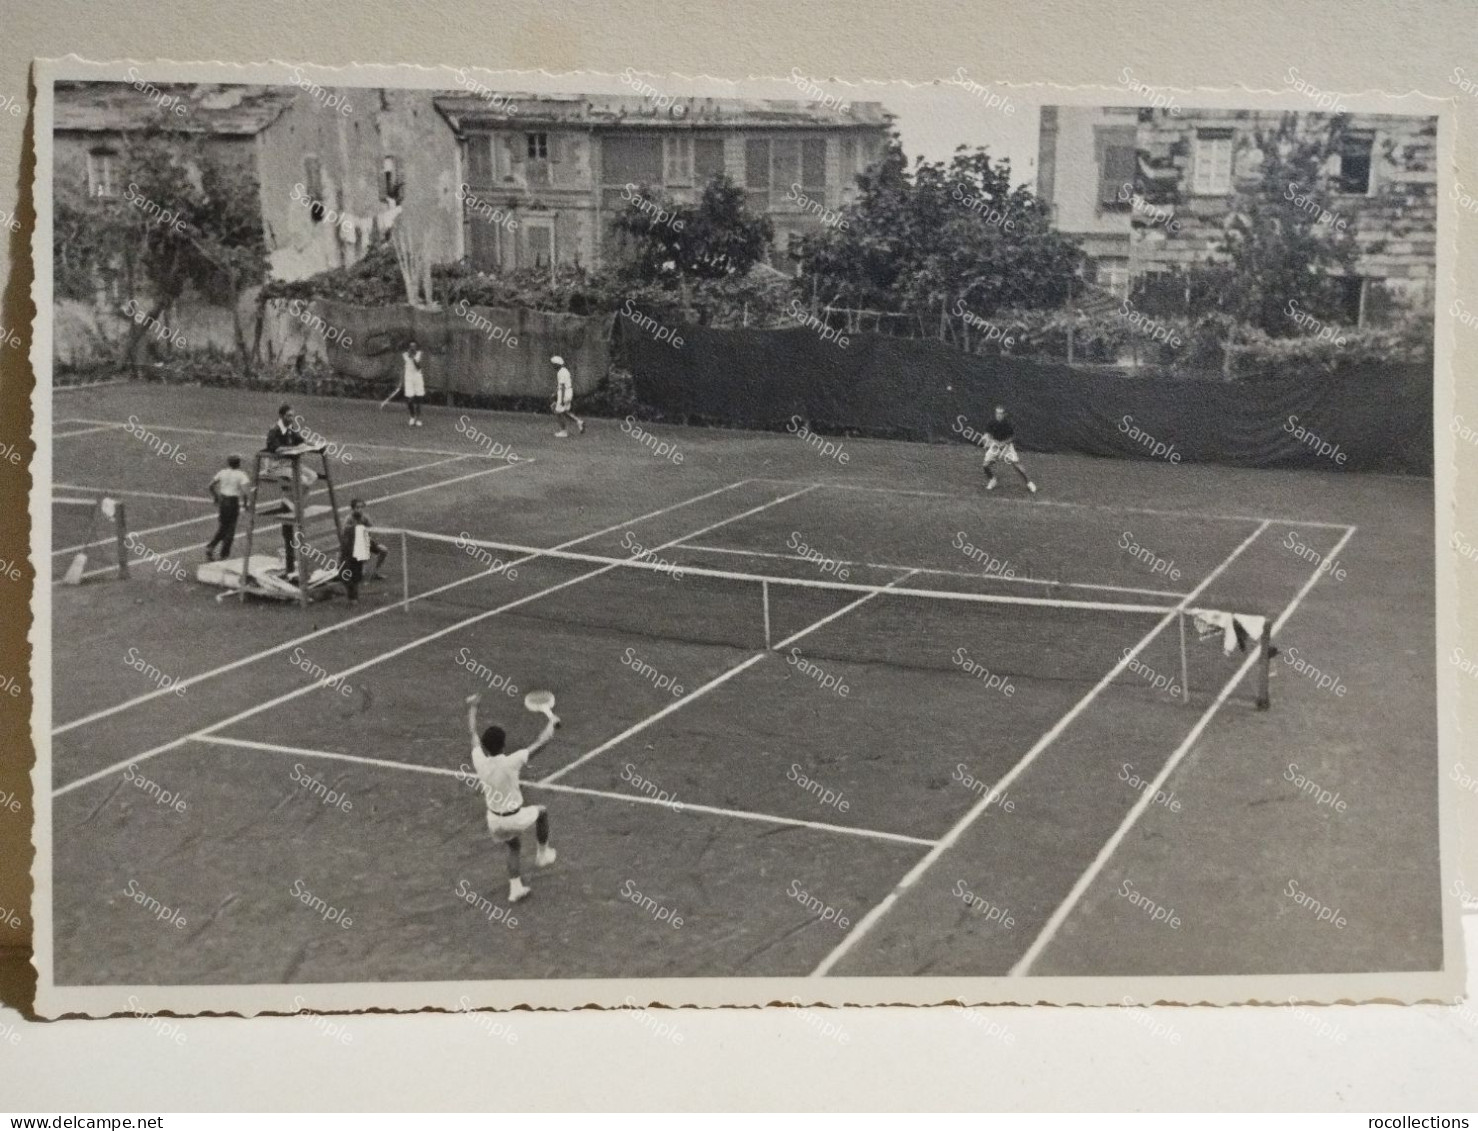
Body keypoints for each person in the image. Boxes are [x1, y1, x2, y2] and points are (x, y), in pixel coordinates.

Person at [465, 691, 560, 904]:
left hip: (494, 822)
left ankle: (515, 888)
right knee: (542, 813)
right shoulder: (512, 761)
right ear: (503, 745)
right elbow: (541, 742)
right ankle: (542, 855)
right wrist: (551, 724)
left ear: (486, 748)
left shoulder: (479, 760)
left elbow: (472, 734)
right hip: (514, 818)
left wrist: (473, 707)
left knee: (513, 845)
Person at [337, 497, 389, 602]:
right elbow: (345, 537)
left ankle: (375, 572)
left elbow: (371, 530)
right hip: (354, 546)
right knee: (356, 572)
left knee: (383, 550)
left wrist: (370, 542)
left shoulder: (365, 518)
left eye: (361, 507)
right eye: (357, 507)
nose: (359, 510)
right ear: (352, 509)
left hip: (365, 541)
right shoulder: (348, 520)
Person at [980, 405, 1037, 494]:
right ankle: (992, 480)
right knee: (985, 465)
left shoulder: (1008, 424)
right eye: (997, 413)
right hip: (995, 445)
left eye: (1000, 413)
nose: (998, 415)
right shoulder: (991, 423)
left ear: (1004, 414)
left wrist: (1003, 443)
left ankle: (1029, 483)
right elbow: (987, 434)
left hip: (1007, 446)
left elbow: (1012, 437)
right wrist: (987, 440)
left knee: (1017, 465)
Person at [205, 454, 251, 562]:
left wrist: (216, 497)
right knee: (230, 529)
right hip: (232, 502)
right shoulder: (241, 475)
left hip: (223, 501)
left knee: (223, 527)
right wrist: (245, 504)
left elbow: (210, 486)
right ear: (239, 463)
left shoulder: (222, 472)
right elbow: (245, 492)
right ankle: (223, 554)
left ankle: (211, 546)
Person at [550, 355, 584, 438]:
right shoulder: (565, 371)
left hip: (564, 394)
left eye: (553, 364)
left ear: (557, 364)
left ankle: (563, 431)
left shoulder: (561, 372)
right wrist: (555, 393)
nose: (553, 366)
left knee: (557, 411)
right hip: (568, 392)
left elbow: (563, 387)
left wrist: (561, 399)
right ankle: (578, 421)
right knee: (564, 411)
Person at [402, 339, 426, 427]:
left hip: (418, 378)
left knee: (419, 399)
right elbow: (404, 368)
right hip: (408, 379)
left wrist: (413, 358)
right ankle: (412, 416)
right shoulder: (404, 355)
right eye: (411, 346)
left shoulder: (420, 354)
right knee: (410, 399)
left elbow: (418, 367)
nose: (412, 348)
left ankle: (418, 419)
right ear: (408, 347)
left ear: (416, 347)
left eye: (414, 346)